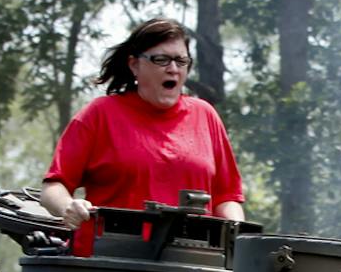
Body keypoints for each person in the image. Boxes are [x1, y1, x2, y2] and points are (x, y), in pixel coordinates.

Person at [39, 19, 245, 257]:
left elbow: (227, 197)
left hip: (190, 269)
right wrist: (69, 207)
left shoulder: (206, 116)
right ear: (134, 64)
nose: (173, 69)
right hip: (105, 265)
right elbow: (53, 186)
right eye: (161, 60)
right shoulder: (99, 114)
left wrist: (237, 237)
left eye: (181, 61)